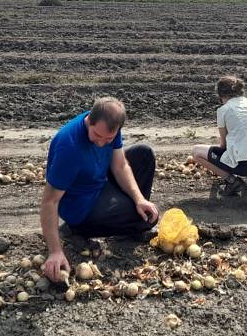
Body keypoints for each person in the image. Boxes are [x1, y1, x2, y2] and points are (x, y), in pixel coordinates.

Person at [40, 97, 159, 282]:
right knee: (148, 220)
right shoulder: (69, 146)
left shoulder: (109, 127)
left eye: (108, 139)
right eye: (96, 135)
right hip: (80, 206)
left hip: (98, 181)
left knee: (144, 154)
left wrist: (139, 199)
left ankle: (132, 219)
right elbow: (49, 201)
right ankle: (75, 230)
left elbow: (120, 166)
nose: (101, 143)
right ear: (89, 120)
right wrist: (55, 251)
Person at [191, 75, 247, 196]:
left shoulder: (223, 110)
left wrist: (216, 163)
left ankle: (232, 181)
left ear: (220, 95)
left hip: (246, 167)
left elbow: (224, 146)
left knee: (196, 151)